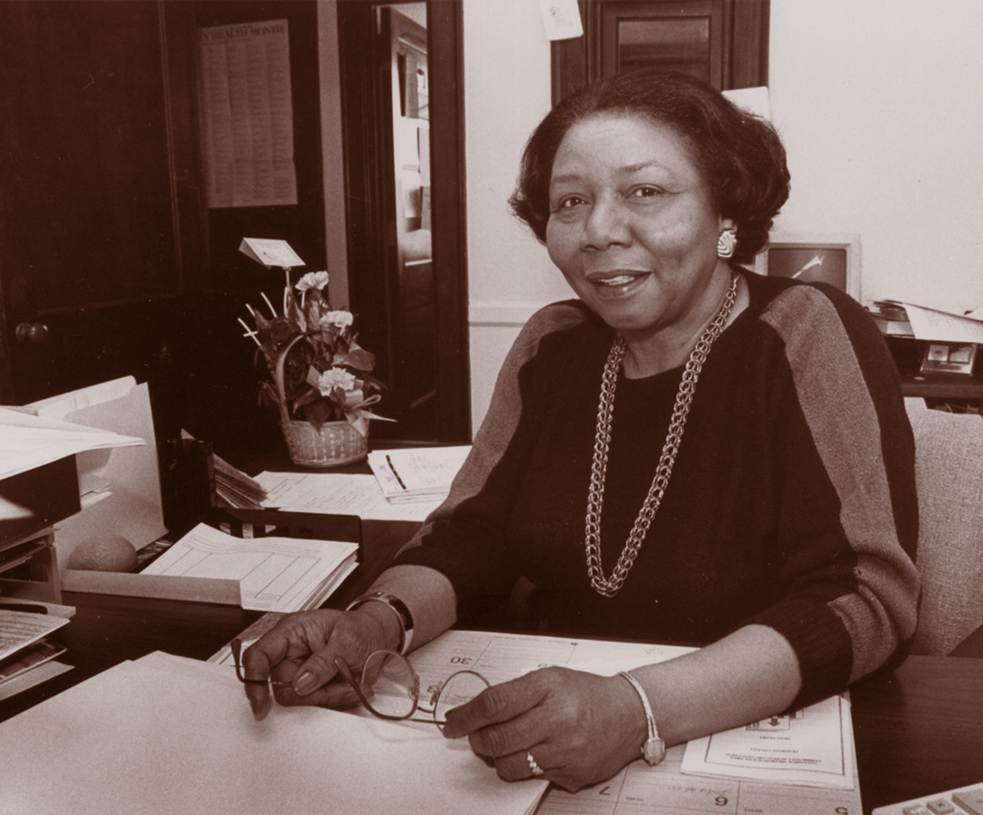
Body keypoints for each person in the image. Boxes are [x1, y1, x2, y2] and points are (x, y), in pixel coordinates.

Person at [241, 69, 920, 793]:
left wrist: (637, 708)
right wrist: (375, 624)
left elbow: (867, 599)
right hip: (540, 740)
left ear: (725, 212)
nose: (598, 230)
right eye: (571, 201)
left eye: (644, 192)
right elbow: (469, 534)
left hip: (746, 745)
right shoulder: (551, 342)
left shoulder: (806, 330)